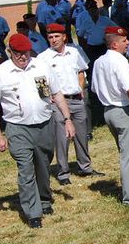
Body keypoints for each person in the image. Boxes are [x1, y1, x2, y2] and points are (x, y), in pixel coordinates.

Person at [0, 34, 76, 229]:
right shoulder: (0, 73)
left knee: (43, 166)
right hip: (18, 128)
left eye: (25, 53)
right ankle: (32, 212)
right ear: (10, 52)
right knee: (26, 170)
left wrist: (67, 120)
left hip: (44, 124)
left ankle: (44, 200)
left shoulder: (41, 66)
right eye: (18, 54)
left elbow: (56, 93)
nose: (23, 57)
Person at [37, 24, 102, 185]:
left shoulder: (74, 52)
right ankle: (63, 172)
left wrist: (80, 88)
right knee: (62, 137)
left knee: (82, 134)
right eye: (50, 37)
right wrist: (47, 97)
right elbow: (39, 81)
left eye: (56, 36)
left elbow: (81, 71)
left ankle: (85, 166)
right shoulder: (43, 58)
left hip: (77, 99)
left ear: (64, 37)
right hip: (59, 102)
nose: (53, 40)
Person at [91, 26, 129, 206]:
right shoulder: (120, 61)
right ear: (115, 44)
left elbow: (94, 88)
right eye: (124, 41)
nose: (128, 43)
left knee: (128, 153)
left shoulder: (99, 62)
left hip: (108, 110)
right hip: (123, 110)